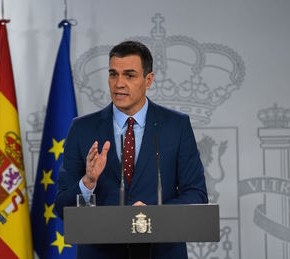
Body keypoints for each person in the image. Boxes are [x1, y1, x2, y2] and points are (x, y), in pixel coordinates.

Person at [55, 40, 208, 259]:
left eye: (129, 75)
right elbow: (61, 208)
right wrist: (87, 183)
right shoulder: (82, 129)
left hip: (161, 252)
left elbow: (196, 195)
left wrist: (151, 214)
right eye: (113, 74)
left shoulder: (176, 126)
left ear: (149, 80)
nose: (119, 84)